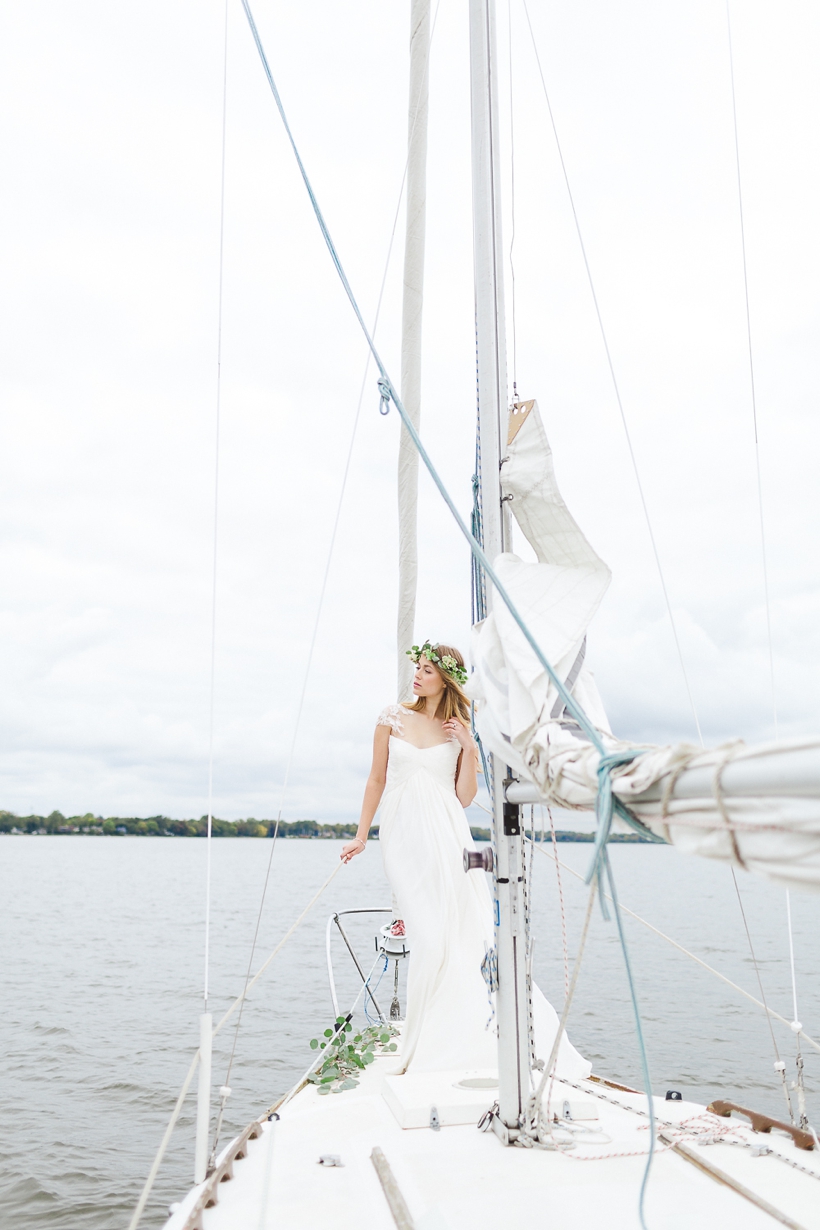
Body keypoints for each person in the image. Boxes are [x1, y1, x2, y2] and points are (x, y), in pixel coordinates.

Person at [341, 642, 590, 1081]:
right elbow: (376, 778)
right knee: (428, 933)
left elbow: (463, 798)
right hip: (401, 833)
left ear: (446, 679)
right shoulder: (390, 718)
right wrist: (361, 835)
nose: (417, 676)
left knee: (460, 932)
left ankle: (458, 1035)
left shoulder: (459, 728)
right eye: (416, 668)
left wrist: (470, 748)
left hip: (447, 833)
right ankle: (429, 1034)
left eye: (427, 671)